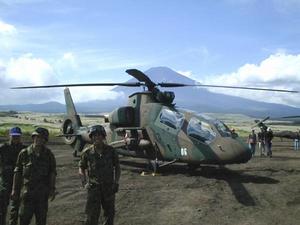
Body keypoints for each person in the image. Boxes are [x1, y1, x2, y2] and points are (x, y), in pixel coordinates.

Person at [11, 127, 56, 225]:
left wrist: (52, 189)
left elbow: (52, 172)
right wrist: (14, 190)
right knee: (23, 220)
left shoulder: (49, 155)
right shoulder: (24, 153)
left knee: (41, 220)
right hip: (28, 195)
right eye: (37, 137)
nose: (38, 139)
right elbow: (17, 172)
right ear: (33, 138)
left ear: (45, 140)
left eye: (42, 138)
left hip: (42, 195)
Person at [79, 125, 121, 225]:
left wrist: (116, 182)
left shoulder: (111, 151)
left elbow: (117, 167)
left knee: (109, 216)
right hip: (94, 189)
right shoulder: (87, 152)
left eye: (99, 135)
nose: (96, 137)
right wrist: (84, 182)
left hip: (109, 189)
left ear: (103, 136)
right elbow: (81, 167)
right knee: (91, 216)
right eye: (94, 135)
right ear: (91, 137)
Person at [0, 127, 26, 225]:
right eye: (14, 136)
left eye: (17, 136)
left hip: (19, 181)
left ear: (20, 137)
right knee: (2, 207)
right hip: (5, 181)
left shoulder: (24, 149)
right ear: (9, 136)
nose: (15, 138)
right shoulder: (3, 148)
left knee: (15, 208)